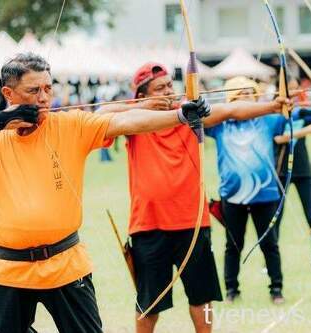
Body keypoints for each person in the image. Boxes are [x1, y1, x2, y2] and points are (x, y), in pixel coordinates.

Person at [0, 52, 213, 333]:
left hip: (66, 265)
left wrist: (179, 115)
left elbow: (124, 122)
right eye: (33, 90)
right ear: (9, 93)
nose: (43, 97)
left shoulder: (70, 124)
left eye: (48, 88)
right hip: (7, 270)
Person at [96, 64, 291, 333]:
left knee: (203, 298)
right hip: (148, 225)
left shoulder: (189, 116)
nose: (168, 91)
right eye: (159, 88)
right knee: (148, 304)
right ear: (142, 95)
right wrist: (145, 107)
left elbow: (232, 110)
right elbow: (101, 113)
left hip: (192, 222)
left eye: (169, 85)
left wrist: (272, 106)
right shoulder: (134, 122)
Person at [204, 77, 290, 305]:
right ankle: (231, 289)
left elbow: (294, 115)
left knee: (269, 244)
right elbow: (199, 120)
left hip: (265, 193)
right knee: (233, 245)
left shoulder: (269, 119)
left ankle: (276, 289)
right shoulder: (220, 124)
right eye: (239, 94)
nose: (245, 98)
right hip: (233, 195)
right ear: (230, 99)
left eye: (249, 93)